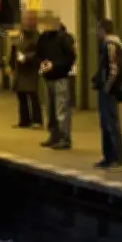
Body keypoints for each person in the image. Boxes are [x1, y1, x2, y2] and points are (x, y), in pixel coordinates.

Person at [36, 12, 76, 150]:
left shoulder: (65, 38)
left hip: (61, 78)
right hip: (48, 78)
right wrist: (41, 64)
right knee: (51, 110)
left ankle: (64, 138)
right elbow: (38, 54)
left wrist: (55, 65)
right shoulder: (43, 38)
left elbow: (70, 58)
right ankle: (54, 135)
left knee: (61, 109)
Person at [92, 19, 122, 169]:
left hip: (109, 91)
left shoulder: (110, 45)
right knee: (106, 123)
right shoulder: (112, 44)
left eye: (98, 29)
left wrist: (106, 87)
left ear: (103, 30)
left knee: (110, 123)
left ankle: (115, 158)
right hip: (108, 89)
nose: (96, 32)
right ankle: (108, 156)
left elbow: (113, 69)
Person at [7, 10, 43, 129]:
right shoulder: (20, 34)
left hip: (31, 70)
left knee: (33, 96)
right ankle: (24, 120)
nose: (27, 21)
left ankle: (37, 121)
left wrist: (26, 57)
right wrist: (10, 65)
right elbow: (13, 49)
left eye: (30, 19)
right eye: (26, 18)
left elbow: (39, 53)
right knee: (21, 96)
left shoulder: (37, 36)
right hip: (20, 70)